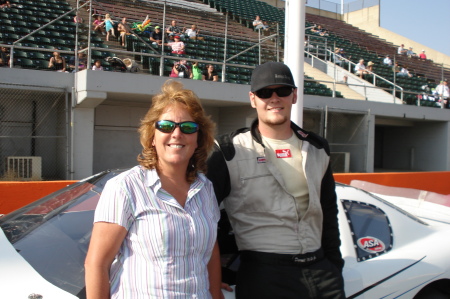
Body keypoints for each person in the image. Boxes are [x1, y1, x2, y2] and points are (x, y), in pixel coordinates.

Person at [206, 62, 345, 299]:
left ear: (294, 95)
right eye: (264, 92)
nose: (274, 98)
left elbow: (329, 214)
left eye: (282, 91)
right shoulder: (229, 150)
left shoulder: (318, 147)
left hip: (322, 271)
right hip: (264, 275)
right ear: (253, 99)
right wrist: (212, 276)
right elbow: (202, 218)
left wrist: (334, 266)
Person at [85, 80, 222, 299]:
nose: (177, 134)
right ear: (152, 136)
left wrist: (216, 295)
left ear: (198, 139)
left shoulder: (205, 188)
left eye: (188, 127)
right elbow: (96, 264)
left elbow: (211, 251)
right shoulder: (124, 187)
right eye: (166, 126)